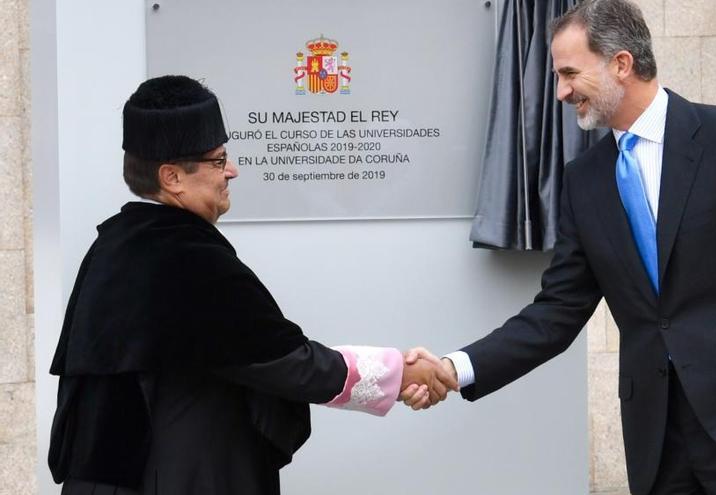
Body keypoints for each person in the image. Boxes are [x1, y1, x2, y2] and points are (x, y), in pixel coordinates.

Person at [404, 1, 716, 493]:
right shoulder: (584, 180)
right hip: (656, 438)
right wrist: (452, 368)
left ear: (621, 63)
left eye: (570, 73)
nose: (561, 91)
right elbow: (557, 311)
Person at [48, 75, 456, 495]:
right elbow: (284, 361)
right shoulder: (184, 258)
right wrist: (399, 373)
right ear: (172, 177)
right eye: (217, 160)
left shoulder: (115, 245)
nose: (232, 170)